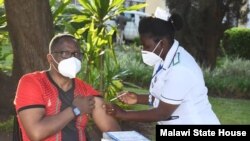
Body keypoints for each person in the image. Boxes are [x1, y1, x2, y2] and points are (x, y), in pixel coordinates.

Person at [105, 8, 220, 125]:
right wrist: (137, 98)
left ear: (162, 43)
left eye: (146, 46)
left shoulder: (180, 69)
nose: (143, 50)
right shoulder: (163, 59)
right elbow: (165, 97)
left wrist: (123, 114)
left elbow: (162, 113)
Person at [14, 34, 120, 141]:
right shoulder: (33, 83)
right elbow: (36, 133)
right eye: (65, 53)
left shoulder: (84, 90)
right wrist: (75, 109)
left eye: (76, 54)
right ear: (50, 58)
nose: (72, 58)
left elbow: (113, 131)